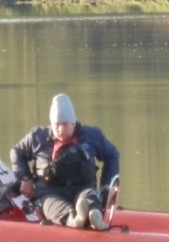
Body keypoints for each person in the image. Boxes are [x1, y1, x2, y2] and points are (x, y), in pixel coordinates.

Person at [11, 93, 120, 231]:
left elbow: (112, 155)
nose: (61, 129)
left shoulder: (91, 136)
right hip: (50, 193)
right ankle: (76, 218)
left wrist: (107, 186)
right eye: (57, 125)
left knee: (89, 196)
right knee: (53, 206)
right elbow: (16, 152)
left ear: (73, 122)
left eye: (65, 124)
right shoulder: (38, 138)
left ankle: (93, 213)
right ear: (51, 124)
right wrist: (25, 178)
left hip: (83, 188)